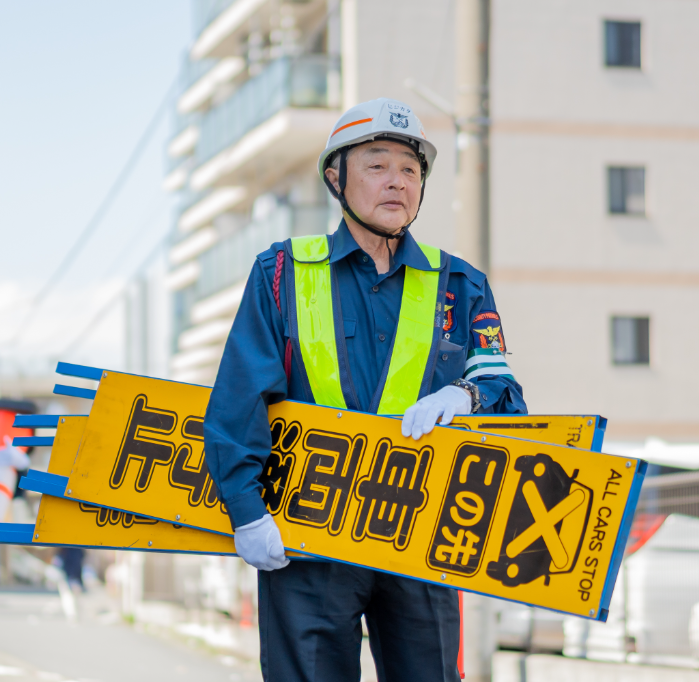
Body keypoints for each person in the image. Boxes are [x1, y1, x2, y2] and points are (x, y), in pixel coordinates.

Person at [204, 97, 527, 681]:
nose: (397, 182)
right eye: (377, 165)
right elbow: (238, 397)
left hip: (420, 536)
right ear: (337, 177)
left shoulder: (460, 284)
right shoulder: (282, 273)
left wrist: (468, 396)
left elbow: (501, 385)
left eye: (410, 168)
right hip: (306, 537)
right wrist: (246, 511)